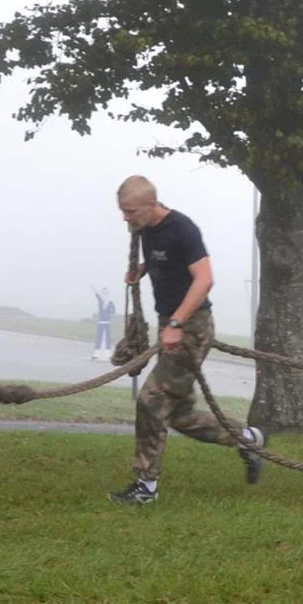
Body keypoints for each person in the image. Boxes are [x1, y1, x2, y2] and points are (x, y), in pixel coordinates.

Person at [108, 176, 263, 504]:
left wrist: (177, 323)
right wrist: (144, 267)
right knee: (180, 416)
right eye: (123, 211)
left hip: (191, 327)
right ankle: (246, 438)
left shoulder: (183, 229)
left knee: (150, 401)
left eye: (131, 211)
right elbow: (166, 258)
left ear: (152, 204)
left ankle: (145, 488)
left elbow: (204, 280)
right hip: (171, 324)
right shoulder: (144, 229)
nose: (126, 218)